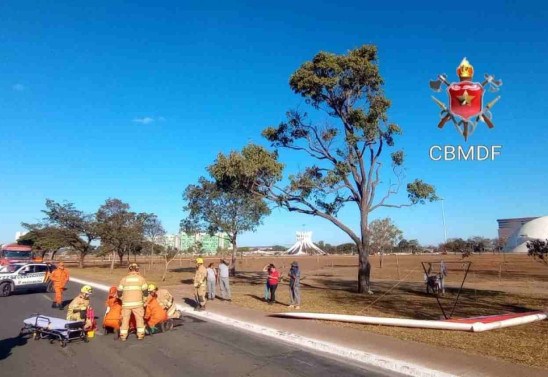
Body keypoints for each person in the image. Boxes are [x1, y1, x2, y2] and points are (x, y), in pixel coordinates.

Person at [117, 263, 148, 341]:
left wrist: (121, 298)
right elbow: (145, 291)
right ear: (137, 269)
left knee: (125, 320)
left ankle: (123, 336)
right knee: (139, 320)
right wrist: (144, 299)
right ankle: (140, 335)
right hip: (138, 304)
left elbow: (119, 291)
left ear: (129, 269)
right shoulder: (141, 279)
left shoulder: (124, 279)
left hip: (126, 304)